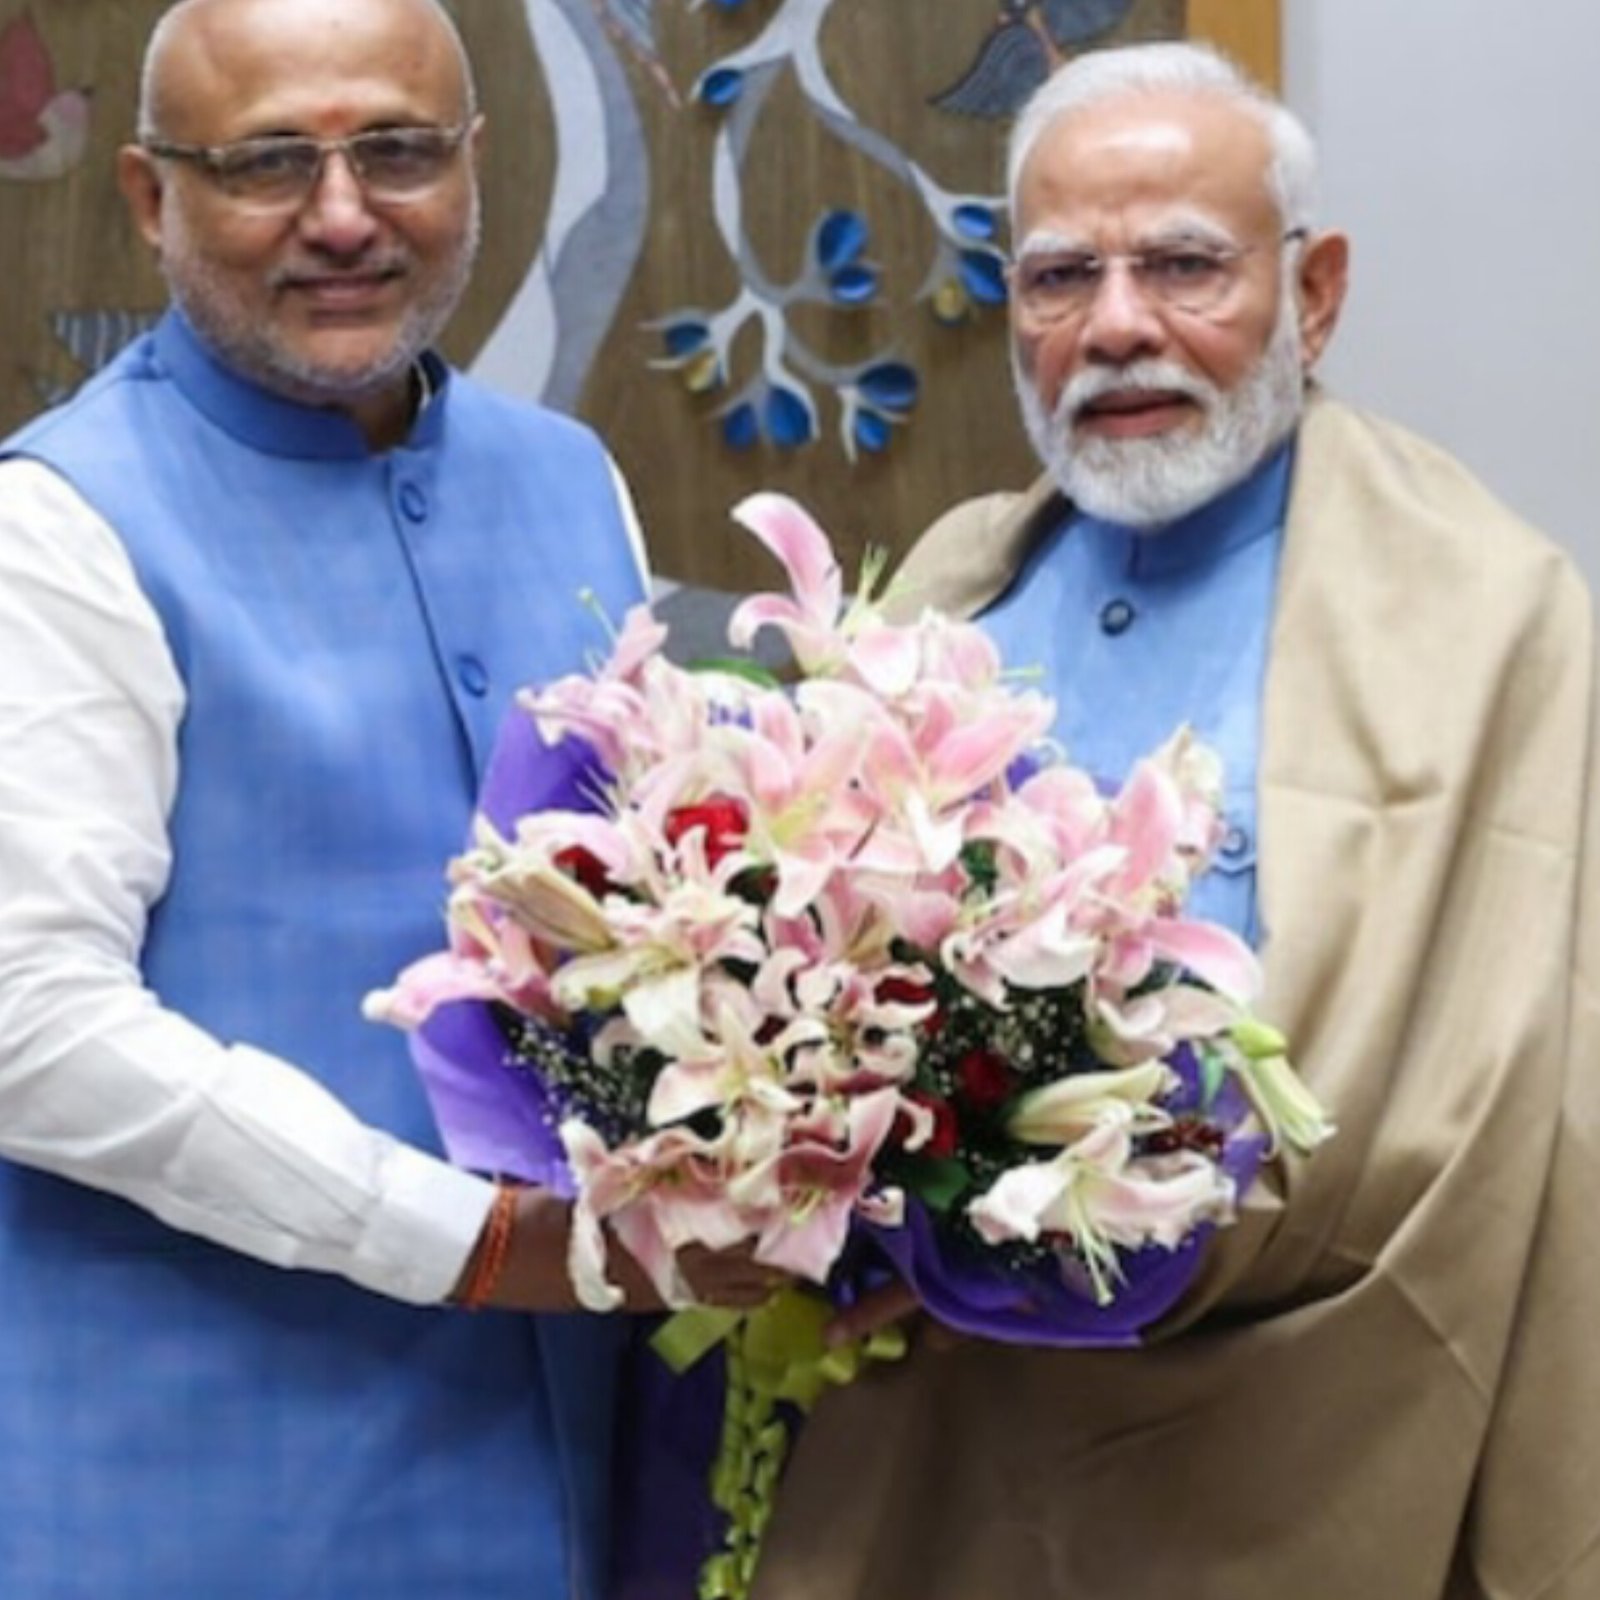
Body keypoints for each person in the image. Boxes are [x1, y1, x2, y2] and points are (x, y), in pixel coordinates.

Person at [747, 41, 1600, 1600]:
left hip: (1324, 1446)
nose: (1119, 325)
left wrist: (1111, 1235)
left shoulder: (1493, 616)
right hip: (946, 1441)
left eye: (1186, 265)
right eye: (1063, 275)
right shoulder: (946, 587)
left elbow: (1509, 1099)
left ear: (1314, 294)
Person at [0, 1, 772, 1596]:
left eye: (400, 153)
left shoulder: (570, 477)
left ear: (474, 166)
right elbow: (30, 1024)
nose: (345, 216)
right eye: (270, 161)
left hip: (566, 1471)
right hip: (194, 1493)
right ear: (151, 196)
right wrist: (470, 1246)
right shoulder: (57, 526)